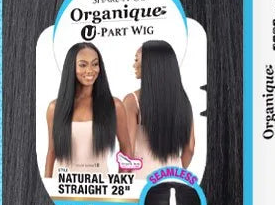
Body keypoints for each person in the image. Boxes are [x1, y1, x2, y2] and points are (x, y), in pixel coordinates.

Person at [45, 43, 131, 177]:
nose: (90, 70)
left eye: (95, 64)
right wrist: (46, 185)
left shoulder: (114, 106)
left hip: (100, 186)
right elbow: (52, 152)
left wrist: (120, 185)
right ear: (71, 67)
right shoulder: (54, 108)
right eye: (83, 65)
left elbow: (126, 149)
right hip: (61, 186)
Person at [123, 40, 195, 179]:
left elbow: (128, 153)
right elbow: (190, 148)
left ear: (149, 64)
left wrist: (120, 184)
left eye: (136, 60)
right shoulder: (183, 101)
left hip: (141, 181)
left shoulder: (132, 101)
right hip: (173, 178)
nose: (134, 65)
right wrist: (176, 170)